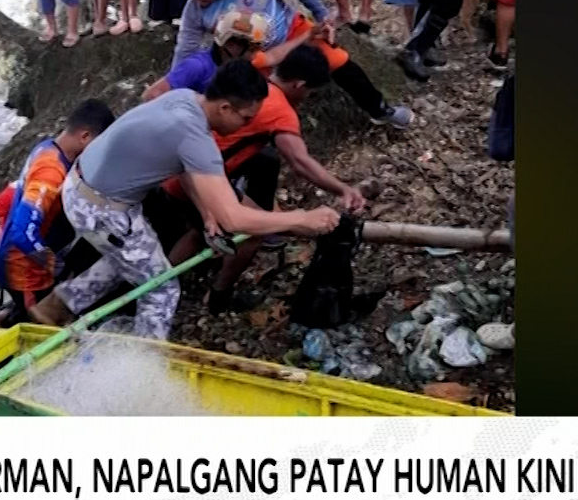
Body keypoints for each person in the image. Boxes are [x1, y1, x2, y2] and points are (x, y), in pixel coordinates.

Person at [25, 61, 343, 339]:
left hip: (82, 187)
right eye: (245, 119)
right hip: (102, 209)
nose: (247, 126)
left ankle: (53, 309)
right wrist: (301, 218)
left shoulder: (184, 99)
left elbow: (186, 172)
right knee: (162, 287)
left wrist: (207, 214)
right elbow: (235, 218)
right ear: (225, 108)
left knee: (130, 258)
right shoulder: (196, 138)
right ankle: (142, 368)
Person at [149, 47, 367, 311]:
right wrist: (342, 189)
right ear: (299, 84)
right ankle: (217, 296)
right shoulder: (280, 111)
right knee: (250, 236)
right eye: (310, 93)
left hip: (180, 172)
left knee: (198, 231)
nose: (307, 99)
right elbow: (300, 162)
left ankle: (160, 288)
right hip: (194, 180)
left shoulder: (255, 88)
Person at [169, 0, 413, 129]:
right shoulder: (194, 11)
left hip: (293, 32)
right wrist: (175, 91)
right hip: (255, 59)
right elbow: (185, 51)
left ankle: (379, 109)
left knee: (339, 62)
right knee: (258, 105)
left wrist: (322, 16)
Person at [0, 99, 116, 324]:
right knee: (40, 327)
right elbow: (23, 231)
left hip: (31, 265)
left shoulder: (49, 147)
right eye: (99, 143)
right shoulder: (50, 171)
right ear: (84, 136)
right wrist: (51, 263)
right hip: (24, 273)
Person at [142, 9, 315, 102]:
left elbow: (275, 56)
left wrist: (308, 34)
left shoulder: (239, 65)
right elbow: (152, 95)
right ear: (231, 44)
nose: (256, 53)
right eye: (252, 47)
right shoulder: (197, 66)